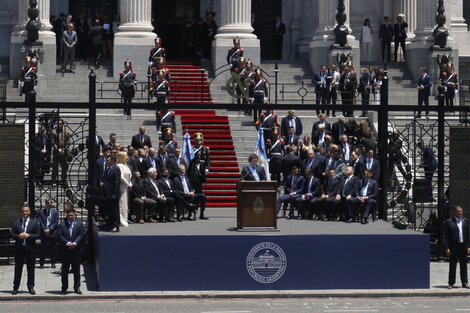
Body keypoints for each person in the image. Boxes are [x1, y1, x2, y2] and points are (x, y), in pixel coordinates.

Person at [11, 205, 39, 295]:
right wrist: (18, 236)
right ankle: (16, 287)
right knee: (18, 269)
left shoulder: (34, 223)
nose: (25, 213)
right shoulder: (17, 222)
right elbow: (12, 234)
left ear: (29, 212)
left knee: (30, 269)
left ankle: (30, 287)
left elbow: (38, 235)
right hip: (19, 249)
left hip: (30, 250)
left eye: (26, 211)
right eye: (23, 211)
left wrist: (29, 236)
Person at [57, 209, 85, 295]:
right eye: (68, 215)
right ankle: (64, 288)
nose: (70, 217)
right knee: (65, 271)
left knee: (76, 270)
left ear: (75, 215)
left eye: (72, 215)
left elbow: (81, 235)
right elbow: (60, 235)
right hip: (66, 250)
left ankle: (77, 287)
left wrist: (75, 243)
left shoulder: (79, 224)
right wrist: (68, 243)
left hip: (76, 250)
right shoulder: (62, 224)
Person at [445, 206, 470, 289]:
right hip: (454, 247)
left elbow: (468, 235)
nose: (461, 213)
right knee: (452, 265)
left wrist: (468, 246)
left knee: (464, 265)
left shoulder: (465, 221)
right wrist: (447, 248)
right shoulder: (449, 222)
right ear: (455, 212)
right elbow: (447, 237)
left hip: (463, 246)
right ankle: (451, 283)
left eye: (461, 211)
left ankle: (465, 282)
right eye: (459, 211)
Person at [102, 155, 121, 232]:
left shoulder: (116, 169)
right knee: (109, 210)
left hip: (113, 193)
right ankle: (109, 225)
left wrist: (115, 193)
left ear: (113, 161)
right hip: (107, 193)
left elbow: (117, 182)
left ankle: (116, 226)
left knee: (115, 210)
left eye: (108, 160)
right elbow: (105, 181)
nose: (107, 161)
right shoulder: (107, 169)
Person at [38, 199, 58, 269]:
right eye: (48, 202)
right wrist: (45, 230)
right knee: (43, 248)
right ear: (46, 203)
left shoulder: (55, 212)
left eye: (51, 202)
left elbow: (56, 222)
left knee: (53, 248)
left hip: (52, 233)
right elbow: (40, 221)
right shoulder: (41, 212)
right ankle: (41, 263)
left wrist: (50, 229)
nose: (50, 203)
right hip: (44, 233)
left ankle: (53, 263)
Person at [51, 119, 71, 186]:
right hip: (56, 152)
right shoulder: (54, 131)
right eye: (58, 123)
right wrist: (57, 149)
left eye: (60, 123)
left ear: (62, 124)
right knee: (55, 166)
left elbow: (69, 141)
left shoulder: (66, 131)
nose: (59, 125)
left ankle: (64, 180)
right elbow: (52, 141)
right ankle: (54, 181)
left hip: (64, 152)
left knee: (64, 167)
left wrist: (64, 149)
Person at [117, 152, 132, 227]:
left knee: (125, 205)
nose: (127, 158)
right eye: (126, 156)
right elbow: (121, 177)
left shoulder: (126, 165)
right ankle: (121, 220)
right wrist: (127, 184)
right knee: (121, 204)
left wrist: (130, 183)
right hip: (122, 187)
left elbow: (129, 176)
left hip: (126, 187)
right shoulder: (120, 166)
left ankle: (125, 219)